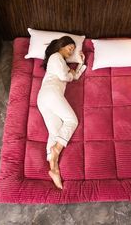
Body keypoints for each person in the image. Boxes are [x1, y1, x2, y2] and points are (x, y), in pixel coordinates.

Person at [37, 36, 86, 189]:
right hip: (51, 93)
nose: (71, 50)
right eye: (69, 47)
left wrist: (80, 64)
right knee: (72, 121)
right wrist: (70, 72)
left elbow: (74, 76)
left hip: (44, 98)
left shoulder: (61, 63)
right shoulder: (56, 56)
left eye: (73, 49)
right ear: (61, 46)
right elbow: (66, 77)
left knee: (55, 133)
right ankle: (56, 149)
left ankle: (53, 168)